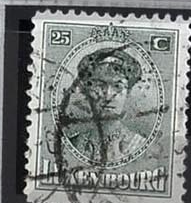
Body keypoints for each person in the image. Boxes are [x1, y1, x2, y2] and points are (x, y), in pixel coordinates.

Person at [57, 44, 153, 173]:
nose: (108, 95)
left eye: (117, 86)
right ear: (87, 91)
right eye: (99, 86)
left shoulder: (139, 145)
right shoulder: (72, 144)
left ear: (128, 93)